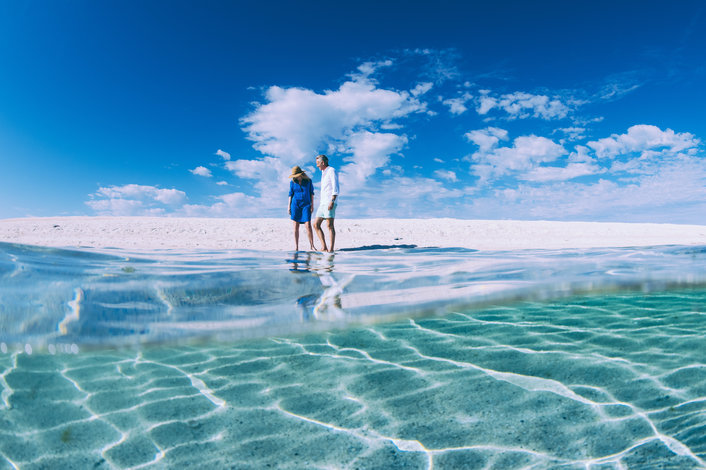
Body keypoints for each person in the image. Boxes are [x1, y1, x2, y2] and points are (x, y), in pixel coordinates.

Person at [313, 154, 339, 252]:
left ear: (323, 162)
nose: (317, 166)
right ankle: (324, 246)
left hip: (330, 201)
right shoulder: (323, 173)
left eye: (318, 163)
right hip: (322, 203)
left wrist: (332, 200)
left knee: (329, 225)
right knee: (316, 224)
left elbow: (335, 186)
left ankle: (331, 249)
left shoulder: (331, 170)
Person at [288, 166, 316, 251]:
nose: (295, 177)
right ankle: (296, 247)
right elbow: (290, 194)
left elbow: (311, 194)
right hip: (295, 205)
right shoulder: (292, 182)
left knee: (308, 225)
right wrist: (289, 206)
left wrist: (312, 205)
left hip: (306, 205)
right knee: (295, 226)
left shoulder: (308, 181)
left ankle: (312, 246)